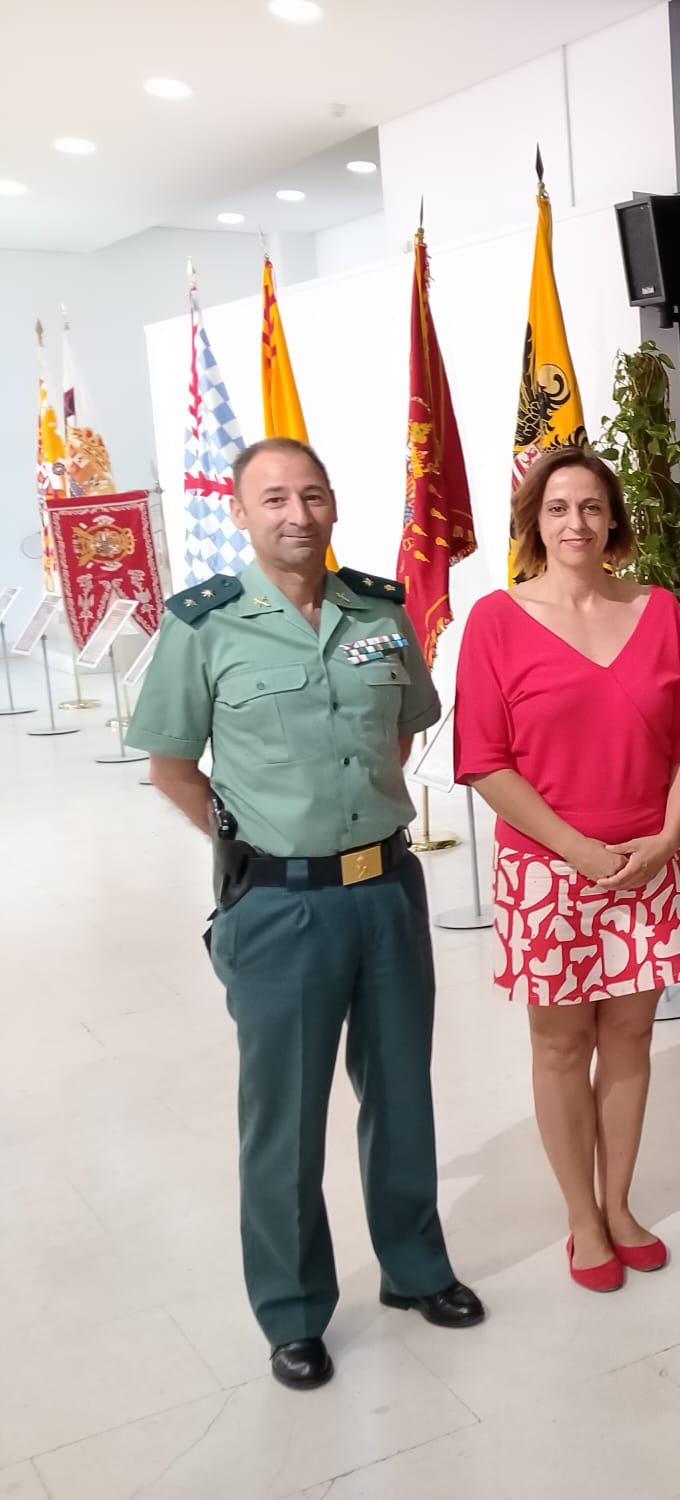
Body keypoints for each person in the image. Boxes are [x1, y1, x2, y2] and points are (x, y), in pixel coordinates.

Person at [127, 437, 483, 1392]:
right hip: (278, 906)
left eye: (313, 495)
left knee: (401, 1091)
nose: (297, 514)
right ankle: (292, 1311)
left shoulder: (377, 611)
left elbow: (408, 719)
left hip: (386, 890)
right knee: (283, 1119)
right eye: (274, 498)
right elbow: (169, 763)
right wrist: (250, 841)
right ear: (239, 514)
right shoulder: (205, 627)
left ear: (333, 507)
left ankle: (415, 1269)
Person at [454, 448, 680, 1292]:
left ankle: (622, 1202)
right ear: (534, 519)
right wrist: (576, 850)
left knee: (631, 1038)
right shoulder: (496, 620)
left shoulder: (659, 609)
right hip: (547, 871)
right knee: (562, 1045)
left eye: (593, 507)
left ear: (614, 520)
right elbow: (485, 761)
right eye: (560, 507)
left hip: (648, 862)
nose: (577, 523)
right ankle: (581, 1219)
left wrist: (669, 838)